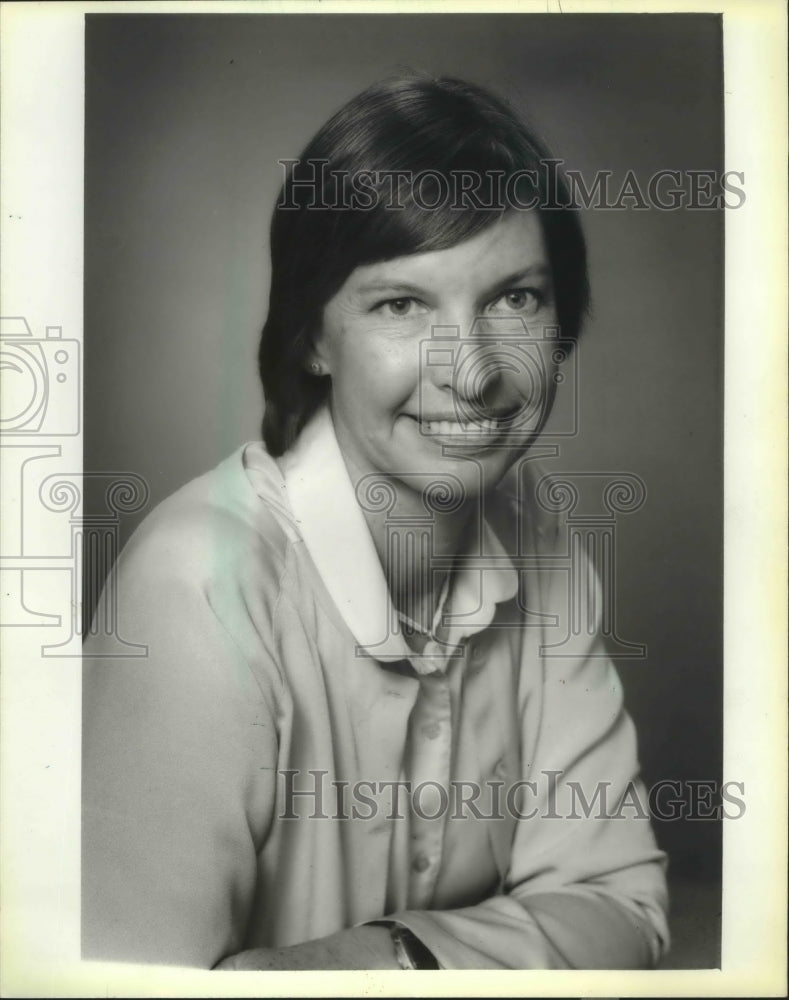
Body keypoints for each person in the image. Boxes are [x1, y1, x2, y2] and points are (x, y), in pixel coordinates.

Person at [82, 75, 669, 970]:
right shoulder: (197, 583)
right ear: (313, 336)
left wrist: (384, 960)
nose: (470, 374)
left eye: (514, 299)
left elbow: (621, 905)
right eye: (401, 305)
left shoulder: (535, 529)